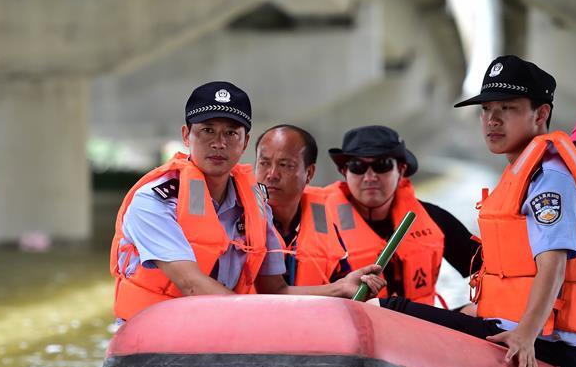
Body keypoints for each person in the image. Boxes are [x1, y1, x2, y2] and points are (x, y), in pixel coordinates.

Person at [382, 55, 576, 367]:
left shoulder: (548, 178)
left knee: (392, 311)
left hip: (546, 343)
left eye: (507, 108)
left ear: (541, 113)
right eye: (486, 109)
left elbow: (554, 265)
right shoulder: (525, 170)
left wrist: (526, 336)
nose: (492, 120)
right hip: (519, 327)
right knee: (445, 314)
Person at [109, 81, 385, 321]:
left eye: (231, 133)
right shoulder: (154, 202)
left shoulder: (254, 200)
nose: (219, 143)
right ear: (186, 135)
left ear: (244, 142)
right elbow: (192, 285)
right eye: (207, 130)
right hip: (153, 340)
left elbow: (276, 290)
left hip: (224, 333)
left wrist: (341, 288)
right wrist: (261, 321)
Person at [324, 125, 481, 306]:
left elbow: (487, 268)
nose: (369, 176)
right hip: (348, 328)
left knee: (473, 312)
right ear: (344, 172)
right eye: (357, 166)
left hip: (417, 329)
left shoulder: (432, 218)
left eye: (382, 165)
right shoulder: (317, 224)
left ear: (401, 170)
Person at [254, 125, 350, 286]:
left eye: (285, 165)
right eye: (264, 163)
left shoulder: (323, 223)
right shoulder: (236, 218)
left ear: (309, 173)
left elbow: (345, 285)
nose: (272, 175)